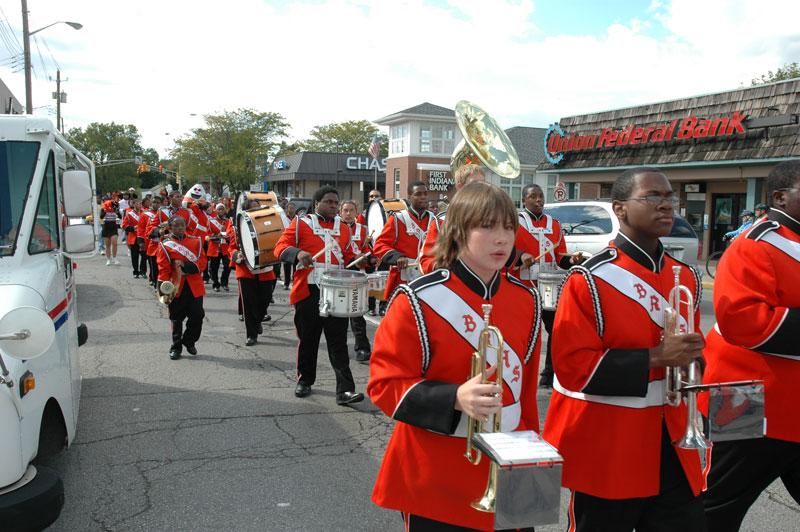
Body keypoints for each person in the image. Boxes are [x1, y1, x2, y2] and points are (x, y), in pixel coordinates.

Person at [368, 181, 543, 531]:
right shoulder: (417, 298)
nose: (502, 238)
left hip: (508, 465)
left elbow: (524, 396)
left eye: (509, 227)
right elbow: (383, 385)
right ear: (459, 231)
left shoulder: (528, 299)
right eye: (487, 226)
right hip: (437, 471)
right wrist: (454, 397)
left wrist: (530, 463)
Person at [542, 167, 706, 532]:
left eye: (669, 198)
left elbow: (691, 366)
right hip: (609, 446)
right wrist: (657, 357)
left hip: (675, 443)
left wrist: (694, 359)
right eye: (652, 197)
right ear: (620, 208)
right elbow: (572, 367)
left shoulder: (686, 276)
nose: (666, 206)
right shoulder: (589, 279)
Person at [702, 160, 800, 531]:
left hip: (792, 402)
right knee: (718, 508)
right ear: (780, 197)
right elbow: (743, 321)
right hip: (743, 396)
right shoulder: (754, 243)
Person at [274, 185, 374, 405]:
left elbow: (348, 259)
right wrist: (298, 253)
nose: (333, 206)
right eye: (328, 202)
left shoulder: (344, 229)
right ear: (317, 203)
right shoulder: (301, 224)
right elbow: (280, 247)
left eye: (335, 203)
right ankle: (305, 380)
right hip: (308, 290)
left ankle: (345, 391)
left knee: (338, 342)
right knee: (308, 339)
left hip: (335, 291)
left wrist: (359, 261)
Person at [513, 183, 585, 388]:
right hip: (524, 284)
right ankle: (519, 372)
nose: (539, 200)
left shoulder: (554, 224)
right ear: (524, 200)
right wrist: (521, 257)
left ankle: (549, 374)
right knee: (525, 331)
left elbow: (560, 256)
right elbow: (506, 249)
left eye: (541, 196)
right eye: (533, 196)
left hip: (548, 286)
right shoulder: (515, 222)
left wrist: (571, 261)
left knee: (556, 329)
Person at [419, 164, 486, 274]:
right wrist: (446, 268)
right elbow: (426, 260)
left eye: (483, 184)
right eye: (475, 184)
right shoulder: (442, 221)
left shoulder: (494, 218)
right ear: (460, 187)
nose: (481, 188)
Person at [157, 215, 207, 360]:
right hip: (176, 287)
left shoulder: (195, 241)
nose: (179, 228)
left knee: (198, 315)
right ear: (170, 227)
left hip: (194, 285)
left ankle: (189, 340)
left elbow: (202, 263)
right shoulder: (165, 245)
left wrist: (185, 265)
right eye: (176, 226)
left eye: (182, 225)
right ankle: (176, 347)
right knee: (176, 319)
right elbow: (163, 269)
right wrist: (164, 290)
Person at [373, 181, 433, 301]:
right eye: (418, 194)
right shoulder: (397, 219)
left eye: (425, 194)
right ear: (409, 198)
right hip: (403, 278)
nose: (423, 197)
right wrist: (397, 257)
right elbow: (380, 245)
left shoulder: (434, 220)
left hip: (428, 278)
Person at [230, 199, 275, 346]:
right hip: (246, 270)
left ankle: (257, 321)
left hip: (265, 269)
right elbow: (231, 248)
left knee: (265, 299)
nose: (257, 210)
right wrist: (237, 255)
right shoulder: (237, 227)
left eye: (258, 208)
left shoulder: (268, 224)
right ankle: (251, 334)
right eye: (253, 208)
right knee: (249, 304)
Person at [340, 200, 374, 363]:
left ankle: (362, 348)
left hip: (355, 274)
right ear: (340, 212)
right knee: (337, 314)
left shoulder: (362, 229)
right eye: (345, 210)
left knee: (356, 311)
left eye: (351, 210)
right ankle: (338, 347)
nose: (348, 213)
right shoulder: (335, 228)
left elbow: (365, 250)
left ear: (356, 212)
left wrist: (371, 258)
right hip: (339, 273)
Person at [207, 203, 232, 292]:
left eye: (222, 209)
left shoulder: (229, 221)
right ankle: (216, 284)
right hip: (214, 247)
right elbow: (208, 233)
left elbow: (231, 233)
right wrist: (215, 236)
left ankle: (224, 283)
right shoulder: (211, 221)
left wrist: (228, 236)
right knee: (214, 268)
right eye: (219, 209)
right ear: (216, 211)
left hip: (225, 247)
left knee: (227, 265)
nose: (221, 211)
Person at [121, 199, 145, 278]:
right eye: (137, 204)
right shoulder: (129, 214)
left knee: (144, 255)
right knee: (135, 255)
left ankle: (143, 271)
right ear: (134, 204)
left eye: (140, 204)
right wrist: (133, 228)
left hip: (143, 236)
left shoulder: (144, 212)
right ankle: (136, 271)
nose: (139, 205)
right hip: (134, 236)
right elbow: (124, 225)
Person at [281, 202, 297, 290]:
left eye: (292, 208)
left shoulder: (297, 219)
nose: (291, 210)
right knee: (286, 265)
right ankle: (286, 283)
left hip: (295, 243)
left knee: (295, 264)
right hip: (287, 243)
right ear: (287, 209)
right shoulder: (283, 218)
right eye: (289, 208)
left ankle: (295, 281)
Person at [100, 199, 120, 265]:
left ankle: (115, 258)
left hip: (113, 227)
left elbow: (120, 217)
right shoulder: (103, 209)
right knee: (107, 245)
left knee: (114, 242)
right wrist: (106, 210)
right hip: (106, 227)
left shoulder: (115, 209)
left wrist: (117, 211)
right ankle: (108, 259)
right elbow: (101, 216)